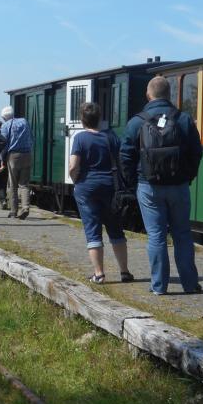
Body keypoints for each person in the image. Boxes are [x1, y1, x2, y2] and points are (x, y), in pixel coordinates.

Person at [120, 76, 203, 296]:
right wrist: (188, 176)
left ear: (148, 95)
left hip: (148, 186)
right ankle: (190, 284)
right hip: (179, 186)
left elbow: (125, 155)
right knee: (182, 235)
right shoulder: (183, 119)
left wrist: (133, 182)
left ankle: (159, 286)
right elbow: (196, 153)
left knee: (156, 236)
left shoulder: (137, 122)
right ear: (169, 95)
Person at [69, 102, 133, 284]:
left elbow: (73, 166)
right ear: (100, 119)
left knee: (92, 230)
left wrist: (76, 181)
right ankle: (124, 271)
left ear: (82, 120)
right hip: (110, 187)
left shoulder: (80, 138)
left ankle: (99, 274)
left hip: (87, 188)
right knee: (116, 230)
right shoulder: (111, 137)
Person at [0, 106, 33, 219]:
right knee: (24, 184)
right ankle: (25, 207)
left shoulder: (5, 125)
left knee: (13, 185)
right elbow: (31, 137)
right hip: (27, 154)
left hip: (13, 156)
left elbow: (3, 143)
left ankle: (14, 211)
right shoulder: (24, 121)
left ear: (4, 117)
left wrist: (1, 158)